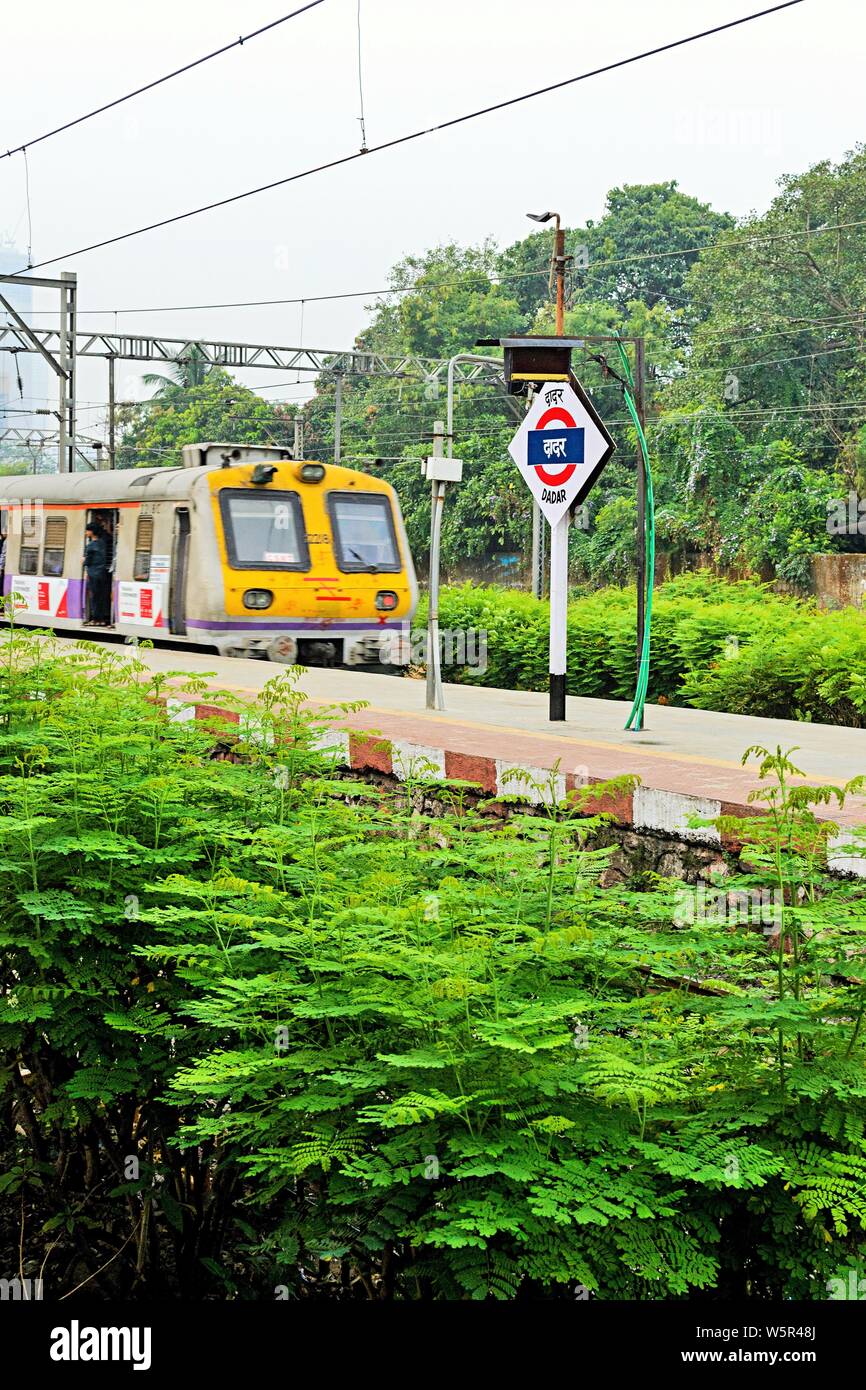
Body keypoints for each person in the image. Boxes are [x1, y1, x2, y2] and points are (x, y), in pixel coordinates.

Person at [83, 522, 111, 625]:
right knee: (101, 597)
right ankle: (102, 619)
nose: (86, 533)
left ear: (92, 532)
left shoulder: (90, 546)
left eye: (87, 531)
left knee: (94, 597)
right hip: (102, 573)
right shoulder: (102, 543)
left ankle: (95, 619)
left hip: (93, 574)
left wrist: (83, 560)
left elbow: (88, 562)